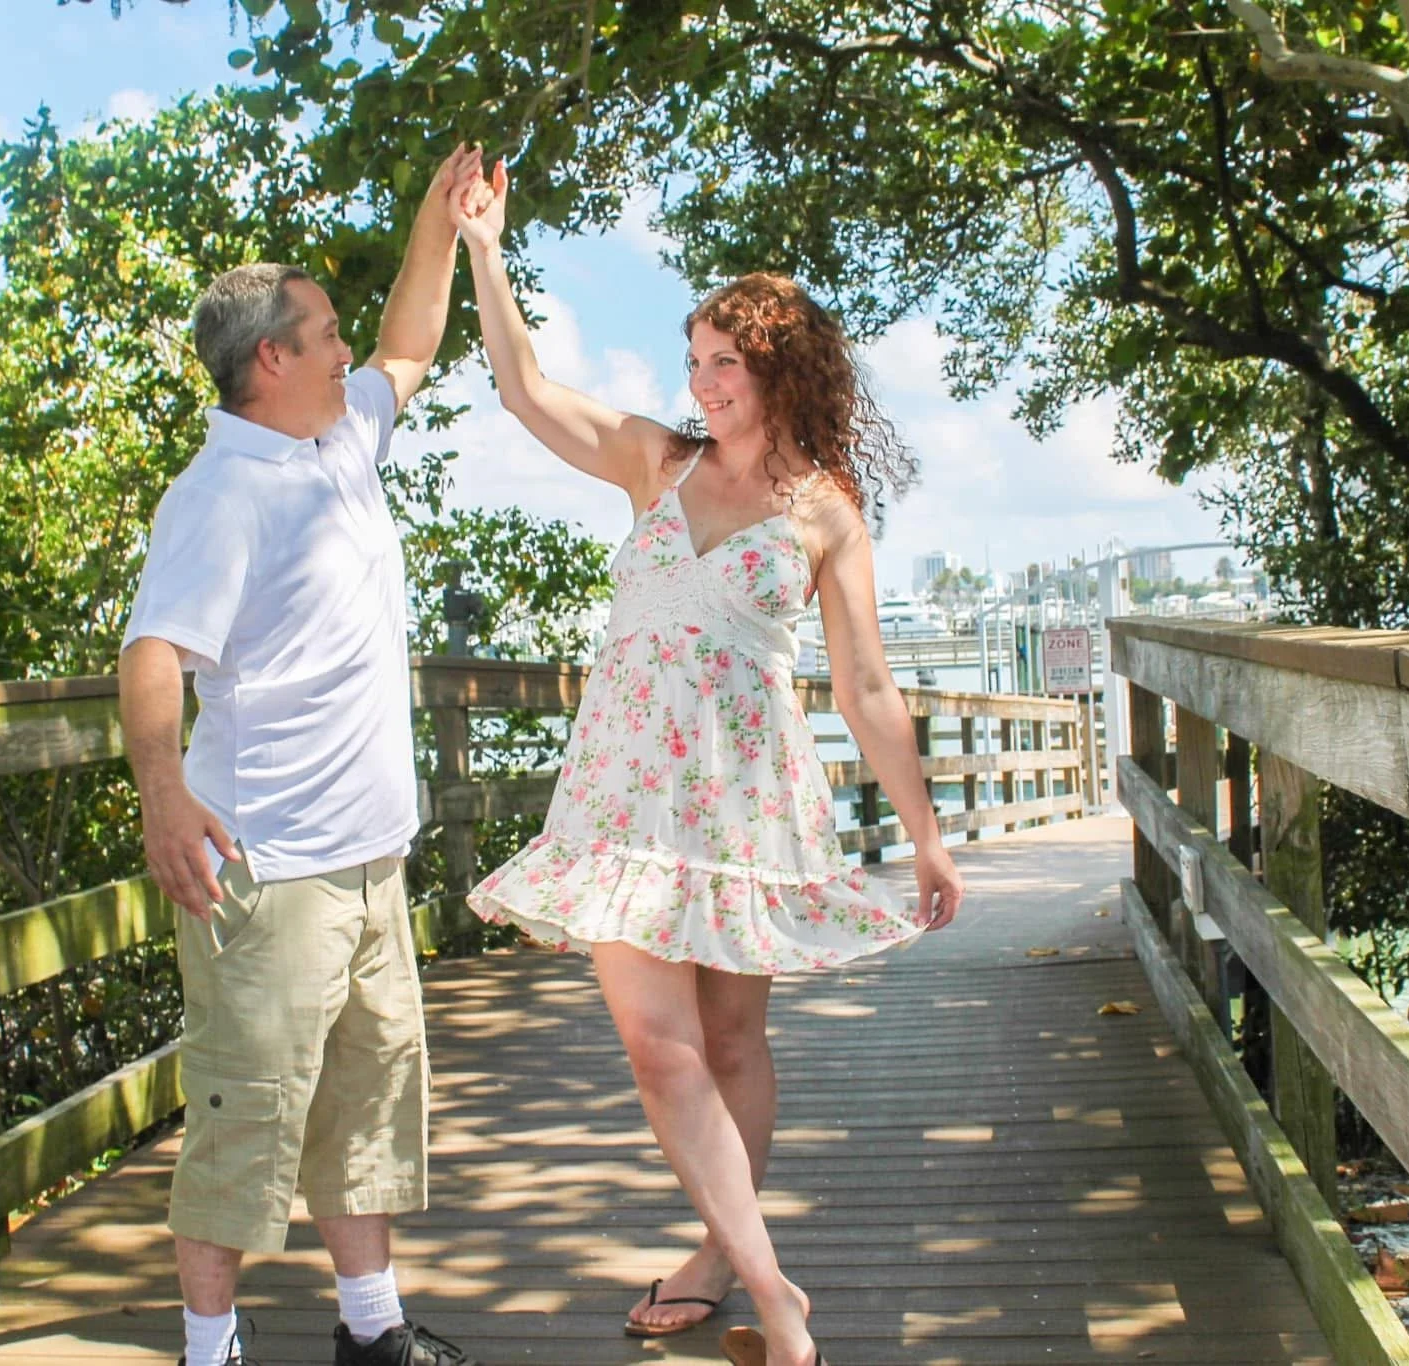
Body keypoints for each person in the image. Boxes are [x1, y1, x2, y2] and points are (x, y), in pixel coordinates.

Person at [449, 158, 966, 1366]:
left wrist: (926, 832)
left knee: (732, 1045)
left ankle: (711, 1252)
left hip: (745, 804)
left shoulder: (826, 506)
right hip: (623, 796)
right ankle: (777, 1295)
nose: (701, 383)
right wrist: (486, 248)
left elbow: (866, 687)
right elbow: (524, 390)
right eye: (692, 364)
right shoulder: (655, 462)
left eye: (721, 363)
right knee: (658, 1044)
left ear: (780, 366)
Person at [118, 147, 486, 1366]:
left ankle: (370, 1335)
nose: (344, 350)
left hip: (369, 861)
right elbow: (154, 654)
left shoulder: (336, 447)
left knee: (365, 1107)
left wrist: (439, 222)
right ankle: (209, 1350)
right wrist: (164, 794)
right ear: (267, 358)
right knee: (244, 1120)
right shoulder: (221, 493)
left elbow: (412, 346)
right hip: (265, 870)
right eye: (320, 333)